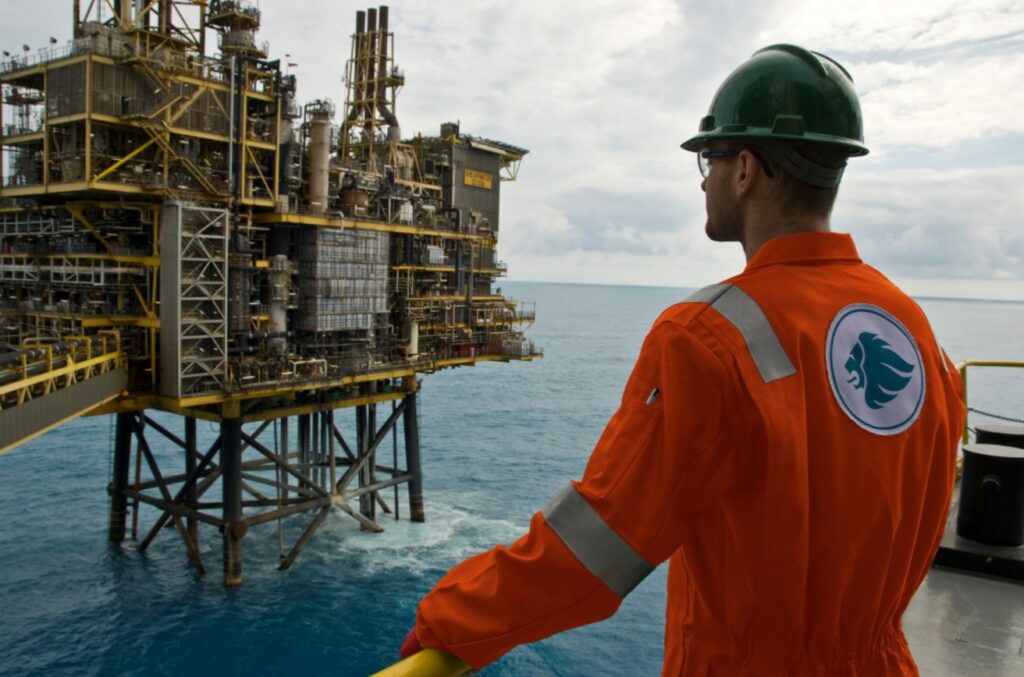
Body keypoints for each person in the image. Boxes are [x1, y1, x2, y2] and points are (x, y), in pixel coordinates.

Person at [397, 44, 966, 675]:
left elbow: (596, 549)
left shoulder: (707, 336)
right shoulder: (916, 331)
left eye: (709, 160)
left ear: (746, 168)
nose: (705, 180)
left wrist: (449, 622)